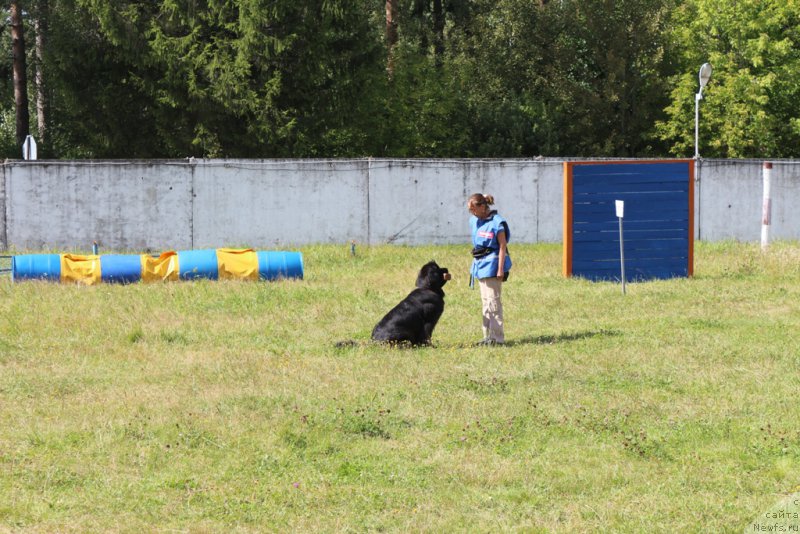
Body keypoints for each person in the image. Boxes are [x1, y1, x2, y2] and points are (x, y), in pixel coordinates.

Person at [467, 193, 511, 346]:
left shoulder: (497, 222)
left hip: (492, 265)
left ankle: (498, 339)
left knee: (494, 303)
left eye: (474, 209)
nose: (472, 213)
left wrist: (500, 269)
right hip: (480, 265)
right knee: (485, 302)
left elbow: (502, 245)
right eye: (470, 210)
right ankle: (487, 337)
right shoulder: (475, 221)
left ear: (482, 207)